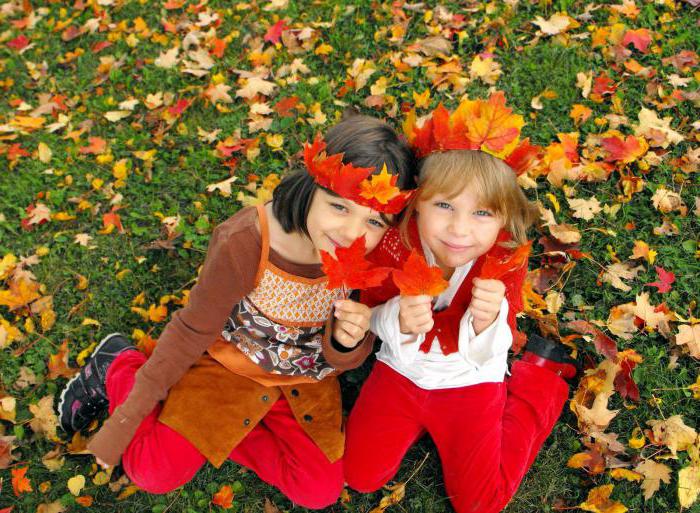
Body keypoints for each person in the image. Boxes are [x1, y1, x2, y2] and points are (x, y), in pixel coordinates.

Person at [56, 113, 416, 509]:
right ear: (312, 185)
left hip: (303, 384)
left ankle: (225, 431)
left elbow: (347, 354)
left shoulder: (373, 254)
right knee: (152, 473)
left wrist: (345, 343)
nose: (352, 233)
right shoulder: (247, 241)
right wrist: (123, 423)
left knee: (318, 493)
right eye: (338, 207)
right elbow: (192, 330)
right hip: (229, 367)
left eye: (374, 220)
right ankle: (117, 365)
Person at [344, 97, 580, 513]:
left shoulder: (503, 256)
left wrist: (488, 321)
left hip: (469, 382)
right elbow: (371, 308)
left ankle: (539, 381)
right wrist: (394, 317)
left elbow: (496, 342)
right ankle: (416, 427)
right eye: (444, 205)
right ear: (417, 204)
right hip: (401, 372)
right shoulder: (397, 244)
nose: (459, 230)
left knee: (479, 505)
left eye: (482, 213)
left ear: (504, 218)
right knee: (360, 477)